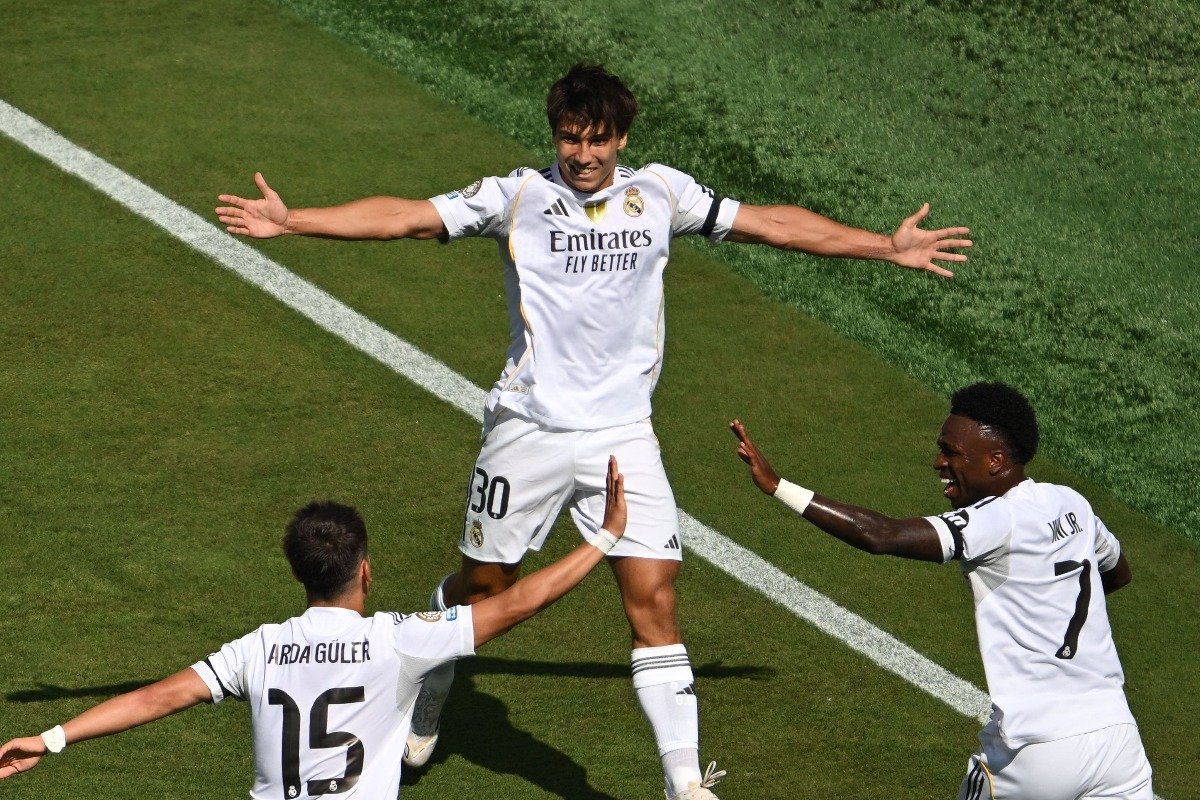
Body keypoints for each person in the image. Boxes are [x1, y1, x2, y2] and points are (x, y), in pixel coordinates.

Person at [214, 63, 971, 800]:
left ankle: (683, 781)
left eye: (598, 139)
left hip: (623, 437)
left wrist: (884, 245)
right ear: (556, 135)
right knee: (486, 587)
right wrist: (296, 220)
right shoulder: (516, 197)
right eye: (571, 138)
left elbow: (769, 224)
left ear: (623, 138)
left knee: (655, 600)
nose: (583, 154)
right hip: (527, 430)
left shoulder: (662, 193)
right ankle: (435, 671)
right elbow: (408, 216)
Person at [0, 456, 627, 797]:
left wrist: (52, 738)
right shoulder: (399, 640)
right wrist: (603, 538)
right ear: (366, 571)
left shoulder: (258, 649)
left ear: (299, 574)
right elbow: (517, 604)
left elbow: (158, 697)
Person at [731, 382, 1153, 800]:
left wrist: (778, 486)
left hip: (1036, 751)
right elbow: (1116, 573)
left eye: (951, 452)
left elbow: (881, 534)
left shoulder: (996, 519)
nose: (938, 462)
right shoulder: (1071, 502)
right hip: (1119, 743)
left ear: (996, 460)